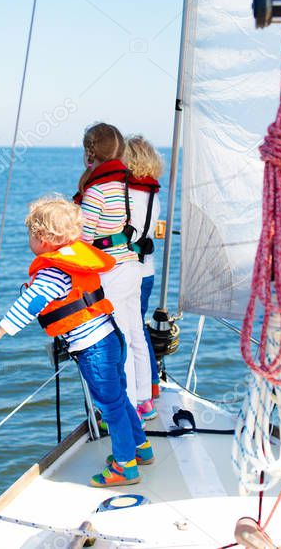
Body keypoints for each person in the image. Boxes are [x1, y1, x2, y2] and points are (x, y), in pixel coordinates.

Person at [0, 196, 153, 487]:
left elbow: (31, 303)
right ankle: (140, 448)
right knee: (119, 398)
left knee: (110, 406)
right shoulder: (76, 257)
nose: (30, 242)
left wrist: (1, 329)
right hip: (111, 337)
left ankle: (125, 467)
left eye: (31, 236)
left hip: (93, 349)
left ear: (44, 239)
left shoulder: (52, 270)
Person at [72, 124, 155, 421]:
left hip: (112, 274)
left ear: (88, 155)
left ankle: (127, 410)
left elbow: (84, 239)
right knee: (135, 335)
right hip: (133, 266)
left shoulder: (96, 190)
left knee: (117, 341)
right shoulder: (125, 185)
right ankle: (143, 398)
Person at [123, 134, 164, 400]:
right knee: (140, 327)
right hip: (147, 270)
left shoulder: (124, 193)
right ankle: (151, 385)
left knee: (131, 331)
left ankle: (140, 388)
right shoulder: (152, 195)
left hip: (127, 271)